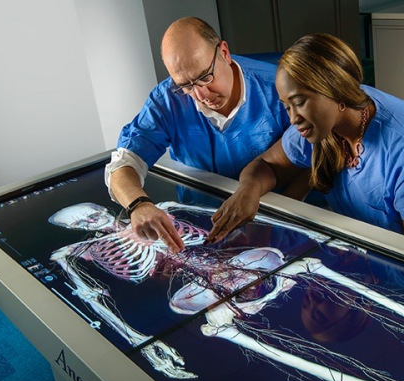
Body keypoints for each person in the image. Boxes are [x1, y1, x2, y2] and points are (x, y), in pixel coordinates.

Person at [207, 33, 404, 262]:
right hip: (378, 255)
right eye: (287, 106)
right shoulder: (320, 122)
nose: (293, 119)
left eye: (299, 103)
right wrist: (248, 189)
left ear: (336, 92)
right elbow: (267, 166)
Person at [104, 17, 300, 254]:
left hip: (278, 224)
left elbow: (314, 158)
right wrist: (138, 204)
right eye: (186, 85)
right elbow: (124, 164)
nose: (201, 94)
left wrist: (276, 223)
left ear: (224, 53)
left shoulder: (279, 86)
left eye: (205, 76)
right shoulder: (167, 99)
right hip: (200, 233)